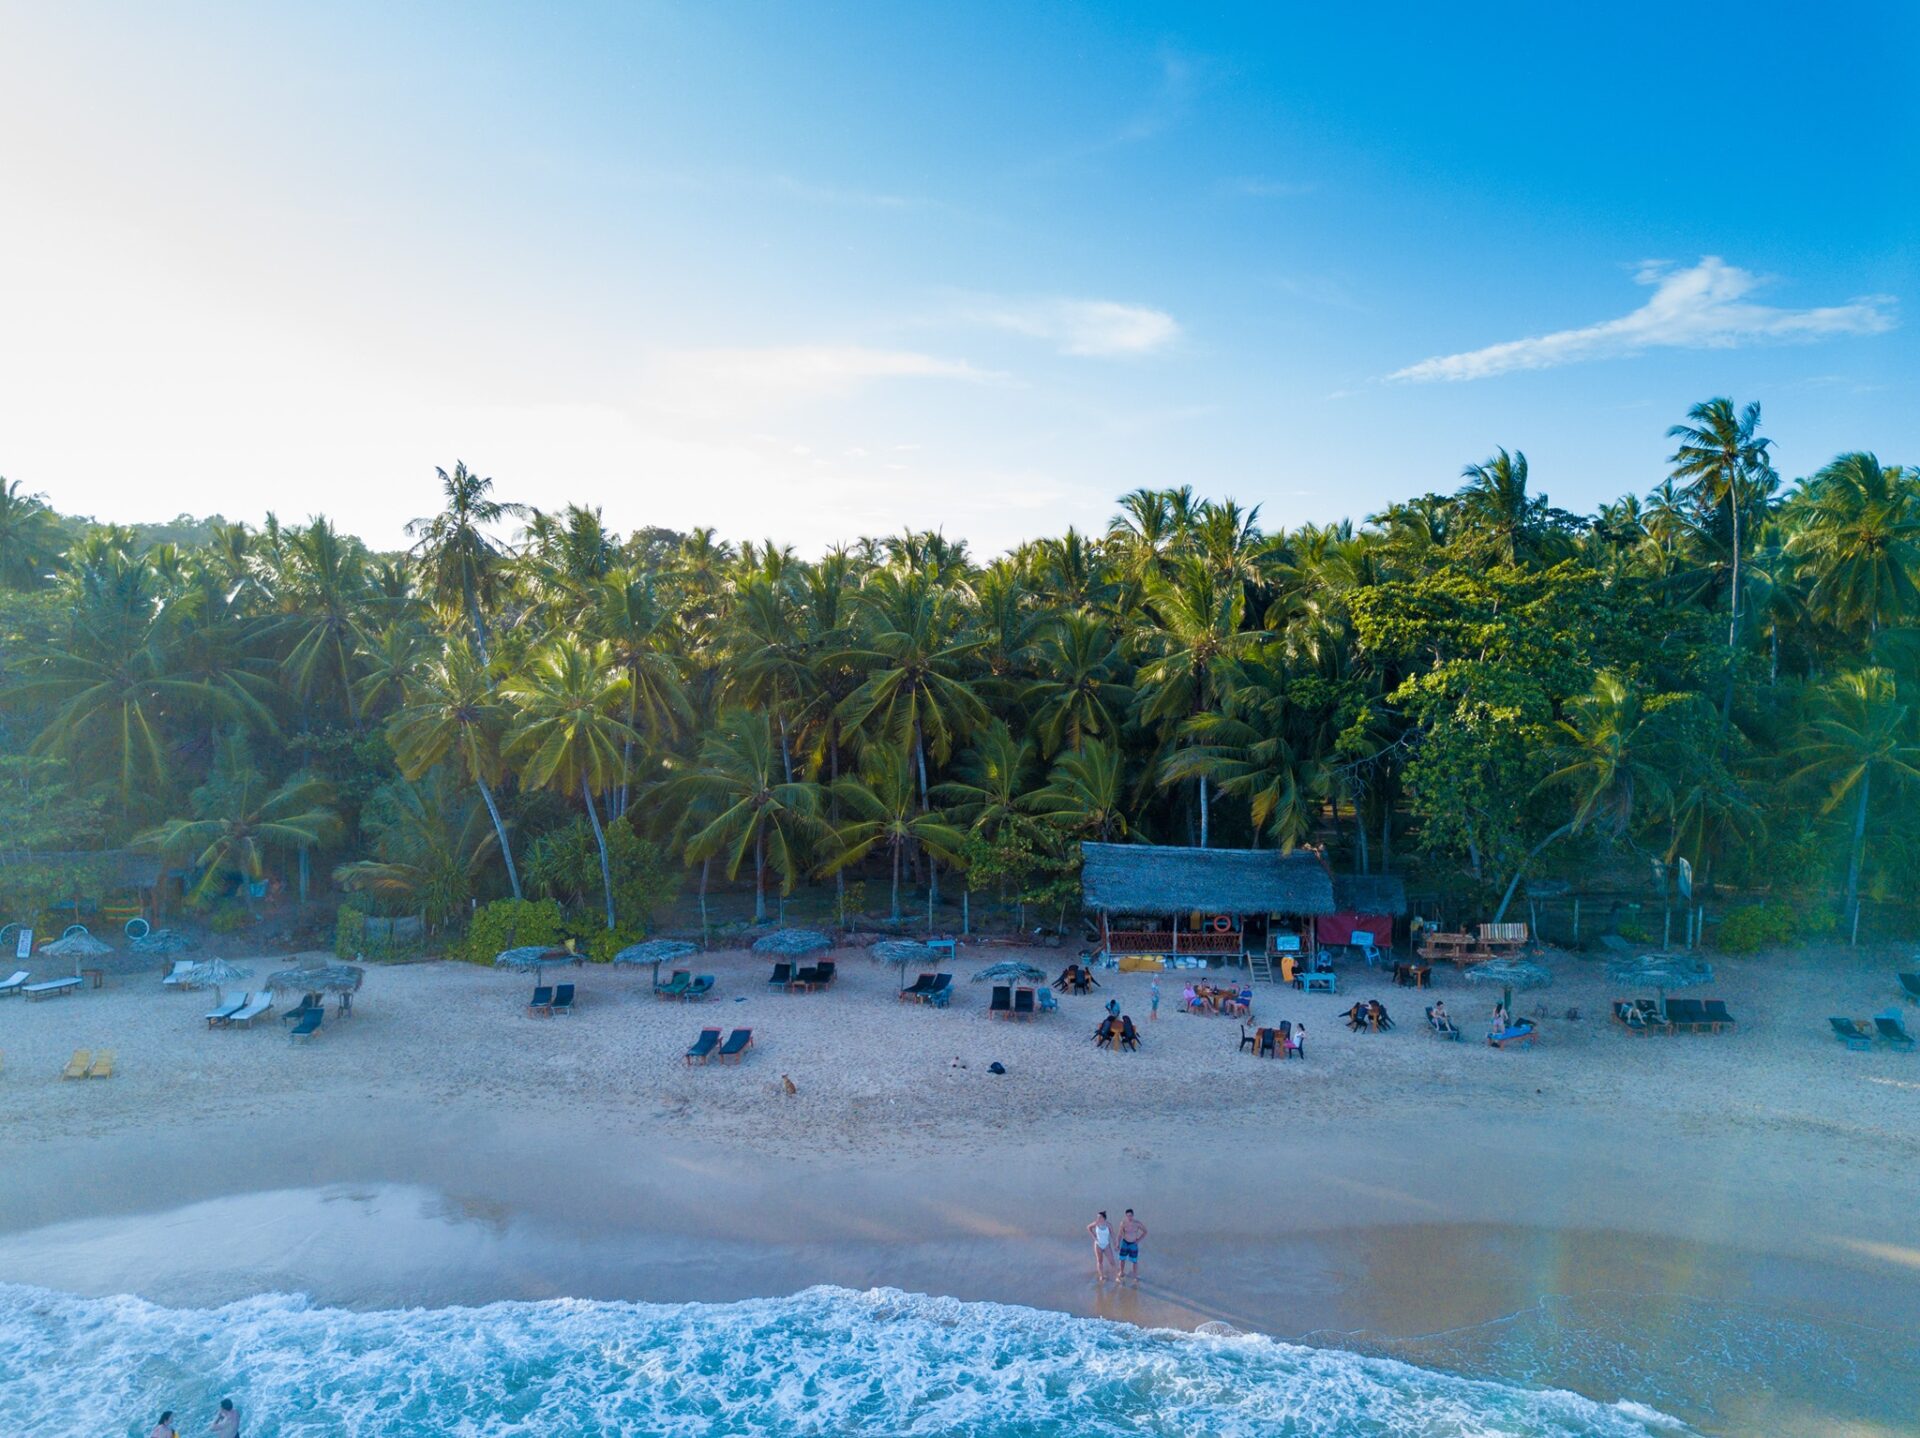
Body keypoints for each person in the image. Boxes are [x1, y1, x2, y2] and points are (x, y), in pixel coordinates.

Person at [1117, 1209, 1147, 1283]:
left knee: (1134, 1261)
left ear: (1133, 1215)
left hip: (1133, 1244)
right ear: (1126, 1216)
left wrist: (1138, 1240)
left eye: (1130, 1216)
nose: (1129, 1217)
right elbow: (1120, 1234)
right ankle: (1121, 1272)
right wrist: (1117, 1243)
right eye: (1127, 1216)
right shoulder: (1123, 1223)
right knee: (1122, 1259)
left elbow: (1145, 1231)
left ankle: (1135, 1276)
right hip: (1125, 1243)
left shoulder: (1137, 1223)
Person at [1087, 1210, 1114, 1280]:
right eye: (1097, 1217)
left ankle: (1117, 1276)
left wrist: (1116, 1243)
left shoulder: (1108, 1225)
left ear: (1103, 1218)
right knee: (1099, 1261)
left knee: (1112, 1261)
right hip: (1098, 1245)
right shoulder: (1096, 1223)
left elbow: (1112, 1234)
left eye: (1099, 1217)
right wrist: (1094, 1237)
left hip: (1106, 1245)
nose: (1098, 1219)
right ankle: (1101, 1276)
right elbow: (1088, 1227)